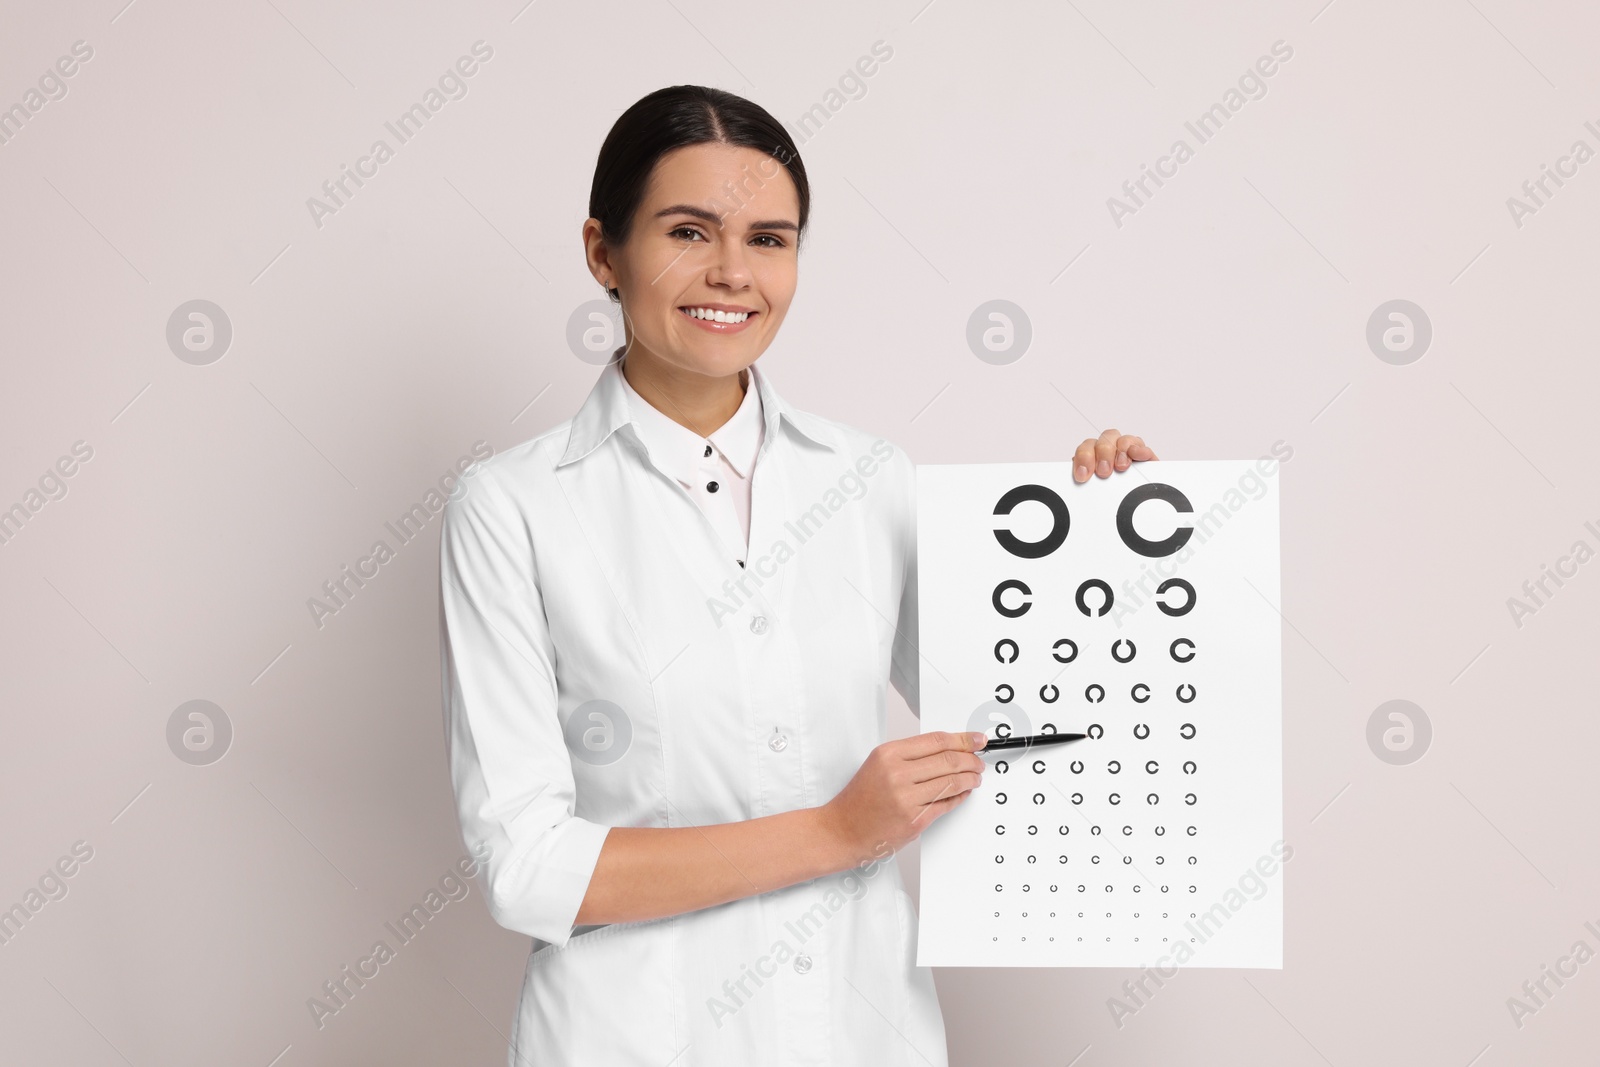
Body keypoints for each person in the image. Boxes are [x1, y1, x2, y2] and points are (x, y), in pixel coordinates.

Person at [438, 84, 1157, 1067]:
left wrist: (1100, 542)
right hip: (634, 1039)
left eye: (770, 239)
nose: (732, 273)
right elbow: (525, 865)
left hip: (863, 1034)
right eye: (689, 230)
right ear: (603, 251)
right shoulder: (512, 506)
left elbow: (1023, 727)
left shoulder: (868, 478)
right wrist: (833, 830)